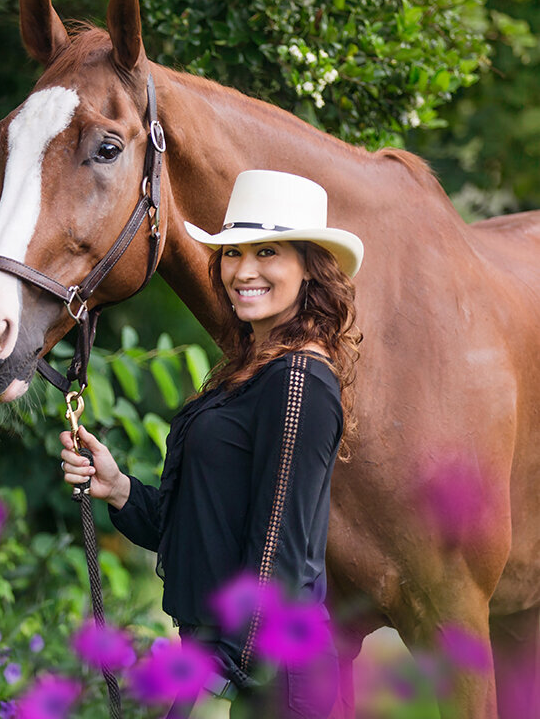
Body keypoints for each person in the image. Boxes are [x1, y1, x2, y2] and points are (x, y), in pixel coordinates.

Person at [60, 170, 364, 719]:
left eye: (267, 252)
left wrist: (219, 683)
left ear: (309, 269)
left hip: (268, 677)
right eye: (232, 254)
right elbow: (205, 531)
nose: (242, 271)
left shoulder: (300, 382)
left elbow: (279, 558)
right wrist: (121, 489)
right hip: (223, 657)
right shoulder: (248, 371)